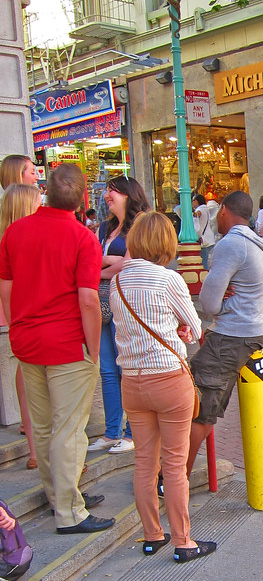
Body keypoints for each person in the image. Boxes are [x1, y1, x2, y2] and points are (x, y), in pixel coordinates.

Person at [0, 163, 115, 534]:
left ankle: (61, 497)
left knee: (47, 427)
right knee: (70, 429)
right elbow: (87, 300)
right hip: (67, 343)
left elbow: (6, 287)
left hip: (28, 340)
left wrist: (16, 324)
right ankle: (69, 511)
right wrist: (93, 349)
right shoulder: (82, 237)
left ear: (45, 191)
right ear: (84, 198)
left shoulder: (15, 232)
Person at [109, 212, 217, 564]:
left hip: (132, 382)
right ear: (167, 243)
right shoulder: (168, 279)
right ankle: (184, 542)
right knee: (172, 464)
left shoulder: (118, 281)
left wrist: (177, 329)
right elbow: (194, 324)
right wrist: (184, 331)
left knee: (144, 461)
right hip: (169, 379)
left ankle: (153, 536)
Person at [186, 190, 263, 475]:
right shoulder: (256, 245)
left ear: (223, 211)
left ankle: (172, 476)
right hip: (248, 333)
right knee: (205, 403)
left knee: (200, 405)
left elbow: (208, 304)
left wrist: (220, 301)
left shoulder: (231, 245)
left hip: (229, 335)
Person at [88, 175, 149, 455]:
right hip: (100, 304)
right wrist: (110, 262)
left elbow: (129, 264)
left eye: (112, 191)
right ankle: (112, 431)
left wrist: (99, 268)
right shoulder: (104, 228)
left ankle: (131, 431)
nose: (106, 195)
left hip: (126, 302)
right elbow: (99, 260)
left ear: (128, 194)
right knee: (107, 369)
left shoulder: (140, 224)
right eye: (106, 191)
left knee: (126, 368)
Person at [0, 184, 42, 469]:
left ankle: (35, 451)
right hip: (32, 318)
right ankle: (42, 452)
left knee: (26, 376)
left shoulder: (7, 238)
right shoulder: (26, 238)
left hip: (19, 318)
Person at [193, 193, 216, 270]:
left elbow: (198, 214)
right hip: (209, 238)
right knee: (208, 261)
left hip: (204, 240)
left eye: (193, 201)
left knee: (204, 262)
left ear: (196, 201)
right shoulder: (206, 208)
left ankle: (206, 277)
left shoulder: (200, 209)